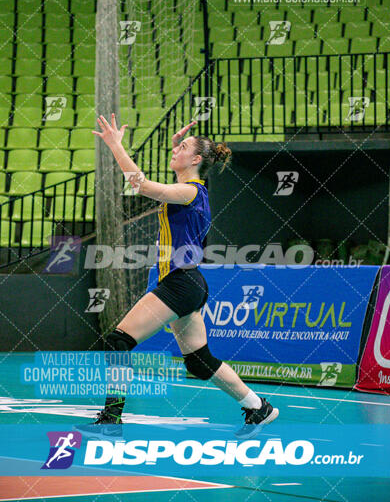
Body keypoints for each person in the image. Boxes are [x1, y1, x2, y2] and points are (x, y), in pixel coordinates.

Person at [86, 114, 279, 439]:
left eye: (183, 148)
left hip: (180, 283)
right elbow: (164, 181)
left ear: (197, 159)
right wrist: (179, 146)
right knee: (199, 361)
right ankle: (257, 407)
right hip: (187, 284)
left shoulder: (190, 192)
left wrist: (116, 146)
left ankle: (111, 420)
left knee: (118, 341)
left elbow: (141, 185)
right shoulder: (189, 191)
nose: (175, 151)